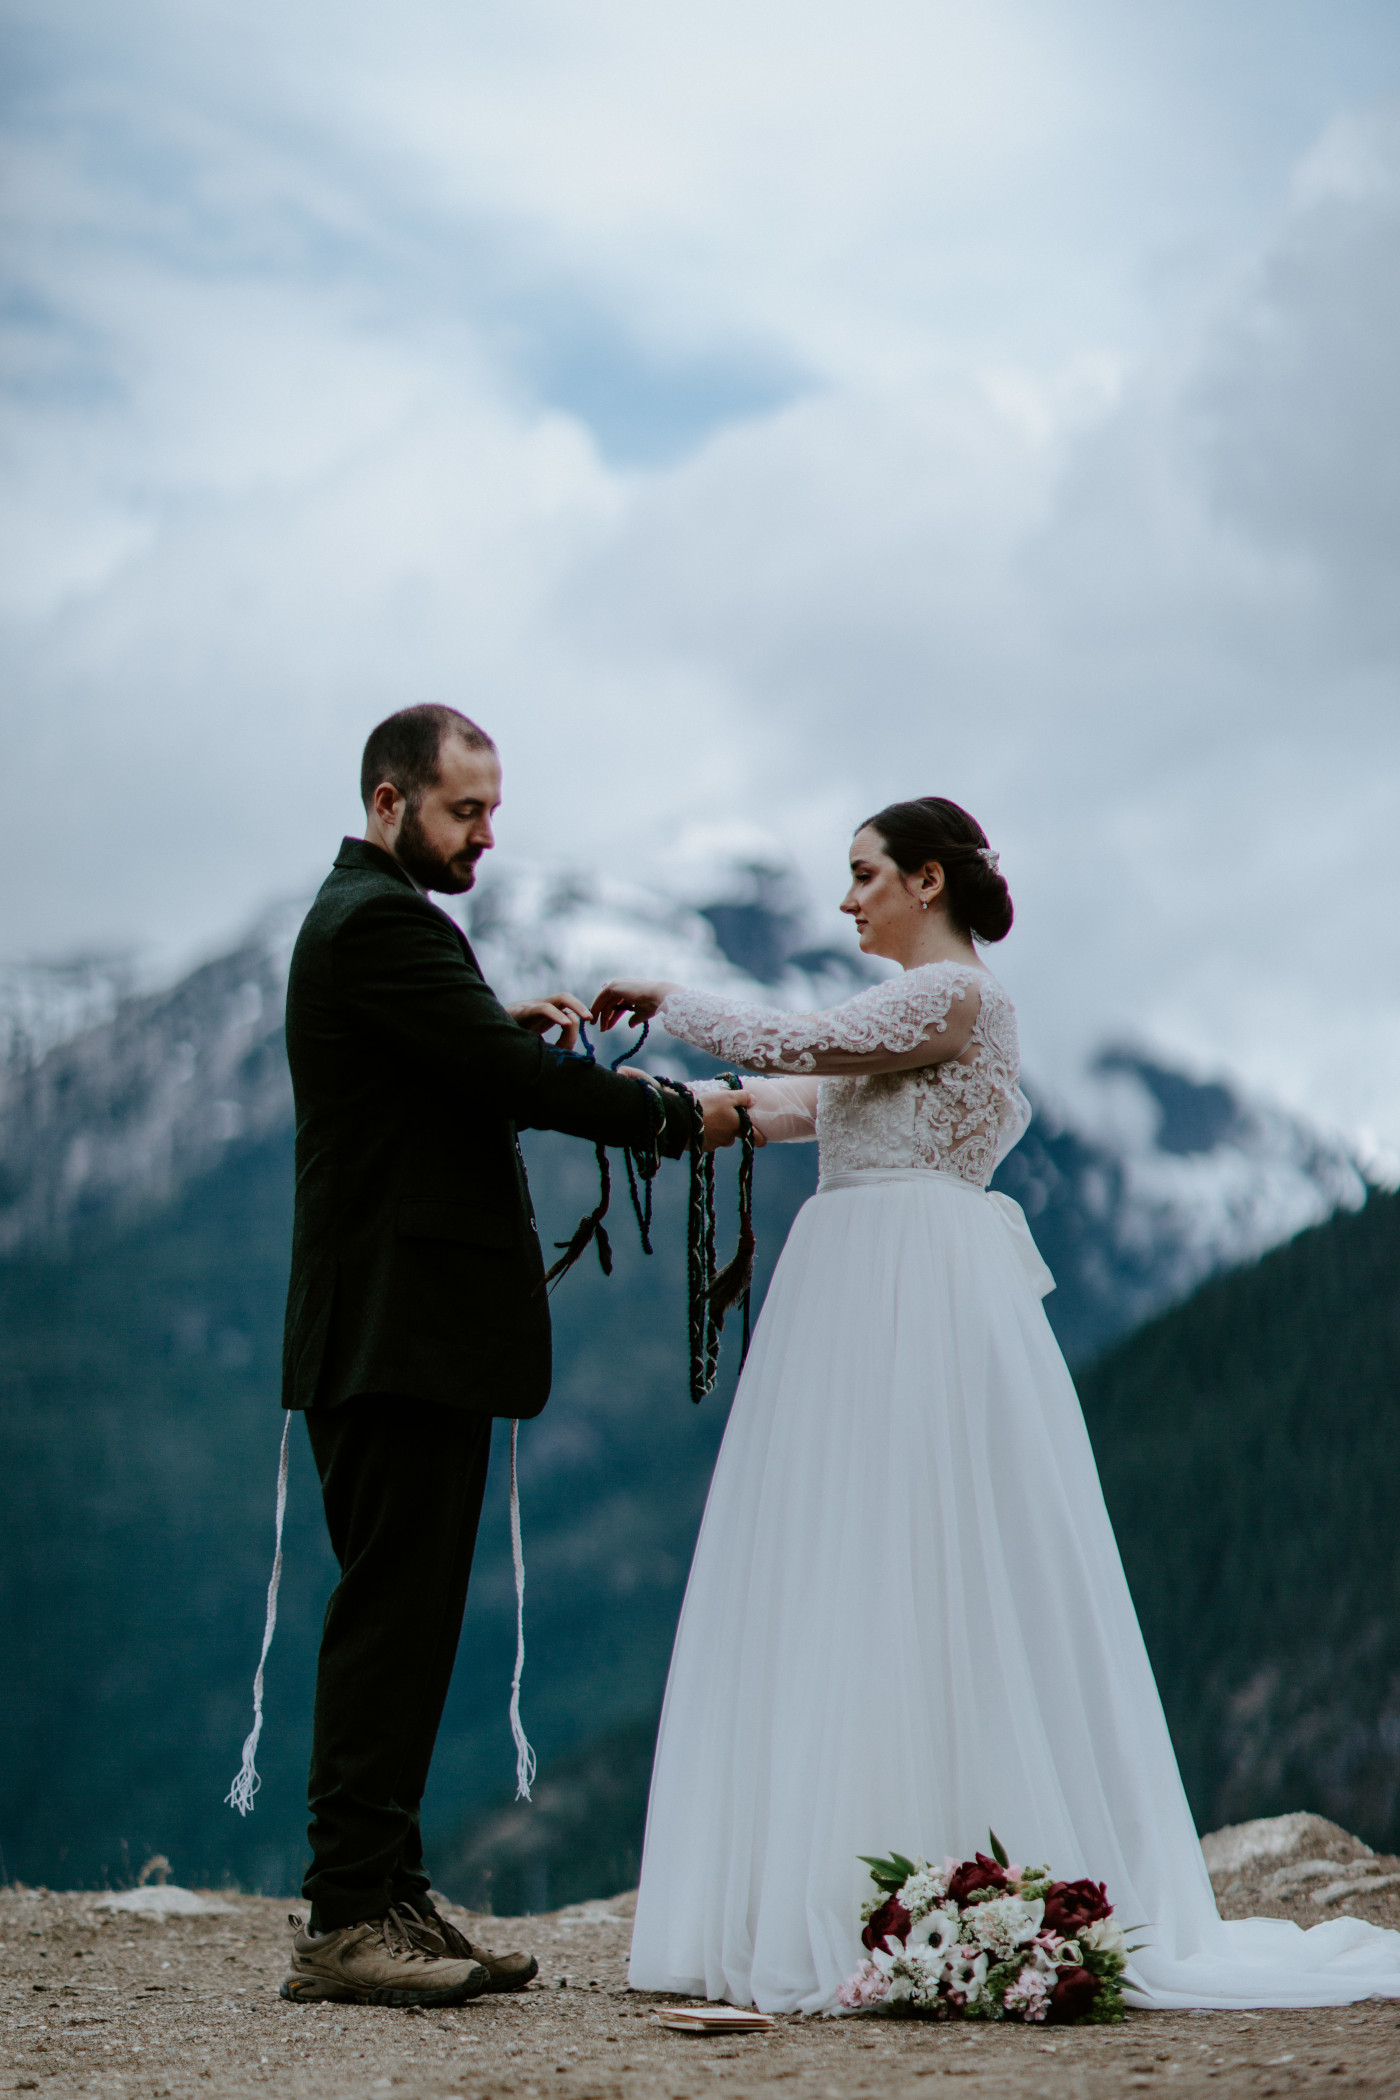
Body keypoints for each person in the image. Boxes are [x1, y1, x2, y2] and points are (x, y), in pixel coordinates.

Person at [594, 795, 1400, 2016]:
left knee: (927, 1545)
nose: (847, 897)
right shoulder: (901, 1027)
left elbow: (789, 1044)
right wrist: (622, 1102)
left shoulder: (956, 999)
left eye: (863, 875)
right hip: (866, 1288)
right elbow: (772, 1108)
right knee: (849, 1556)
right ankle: (869, 1870)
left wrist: (661, 996)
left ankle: (936, 1864)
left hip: (908, 1293)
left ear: (927, 881)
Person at [279, 704, 749, 2009]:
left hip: (398, 1338)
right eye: (463, 811)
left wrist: (493, 1027)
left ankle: (382, 1890)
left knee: (412, 1620)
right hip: (394, 1338)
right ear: (389, 803)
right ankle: (343, 1921)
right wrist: (680, 1115)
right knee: (391, 1618)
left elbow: (455, 1063)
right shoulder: (377, 924)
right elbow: (507, 1082)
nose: (487, 835)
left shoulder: (371, 926)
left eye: (491, 810)